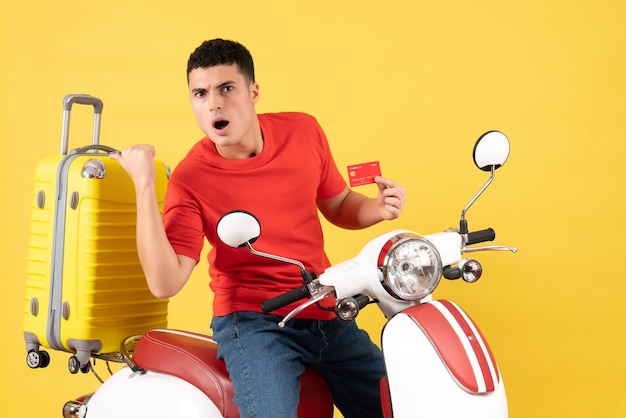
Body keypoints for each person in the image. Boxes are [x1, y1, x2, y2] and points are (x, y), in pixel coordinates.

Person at [111, 38, 406, 418]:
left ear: (253, 92)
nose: (214, 103)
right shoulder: (191, 178)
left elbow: (338, 204)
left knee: (401, 406)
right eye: (200, 93)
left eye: (226, 89)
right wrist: (145, 185)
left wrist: (375, 208)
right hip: (253, 322)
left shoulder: (304, 131)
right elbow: (164, 283)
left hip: (324, 309)